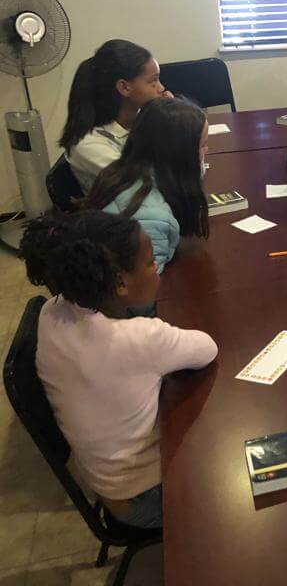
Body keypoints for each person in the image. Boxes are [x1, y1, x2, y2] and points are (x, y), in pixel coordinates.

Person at [20, 210, 217, 528]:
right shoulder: (137, 338)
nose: (157, 269)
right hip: (144, 497)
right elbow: (207, 348)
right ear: (121, 282)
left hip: (107, 485)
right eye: (151, 263)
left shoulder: (52, 311)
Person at [84, 98, 209, 272]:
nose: (206, 150)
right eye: (202, 145)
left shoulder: (124, 172)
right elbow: (143, 283)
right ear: (180, 154)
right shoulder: (151, 219)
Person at [59, 40, 171, 192]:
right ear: (124, 87)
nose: (161, 88)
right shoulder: (88, 145)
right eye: (153, 81)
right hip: (130, 204)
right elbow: (146, 184)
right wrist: (174, 126)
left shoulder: (140, 118)